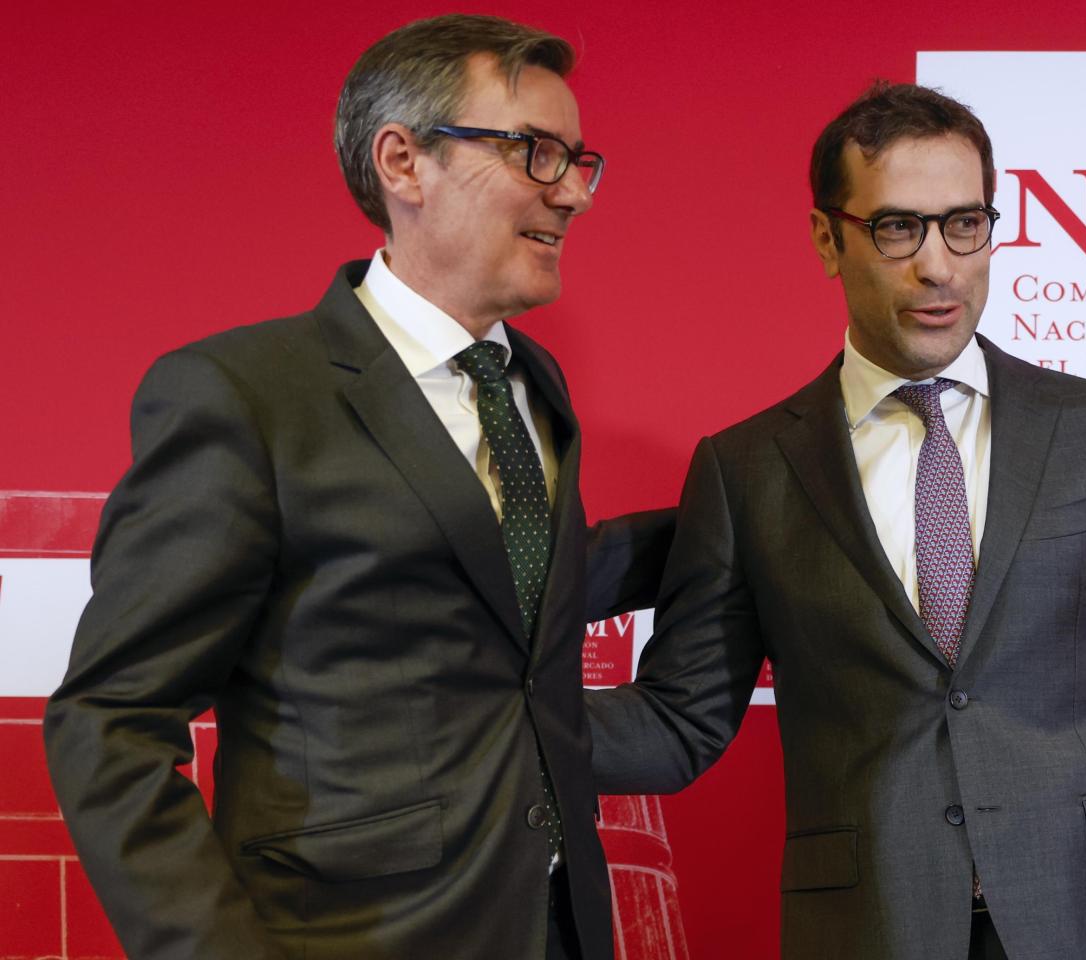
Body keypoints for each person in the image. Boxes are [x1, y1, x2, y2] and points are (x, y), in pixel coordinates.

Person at [586, 81, 1086, 959]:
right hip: (875, 925)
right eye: (898, 228)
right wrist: (480, 722)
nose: (938, 266)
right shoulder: (748, 468)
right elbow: (681, 721)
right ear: (829, 239)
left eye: (964, 224)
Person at [41, 15, 671, 960]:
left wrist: (748, 514)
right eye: (536, 153)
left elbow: (511, 595)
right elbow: (111, 722)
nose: (573, 192)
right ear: (403, 162)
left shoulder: (533, 384)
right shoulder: (243, 395)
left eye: (580, 161)